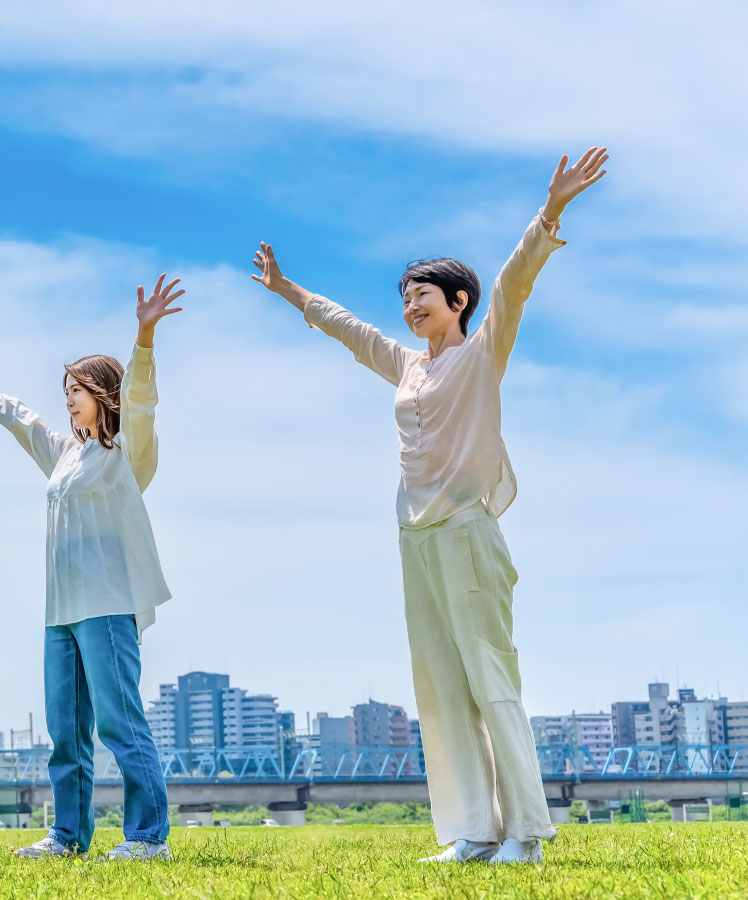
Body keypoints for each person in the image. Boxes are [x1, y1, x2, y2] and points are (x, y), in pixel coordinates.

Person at [249, 147, 609, 865]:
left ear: (459, 303)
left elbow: (515, 282)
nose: (411, 306)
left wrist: (551, 212)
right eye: (406, 296)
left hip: (469, 531)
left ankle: (526, 837)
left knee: (489, 679)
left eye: (424, 295)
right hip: (414, 536)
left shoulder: (481, 353)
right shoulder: (408, 366)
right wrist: (288, 290)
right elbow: (348, 329)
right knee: (442, 687)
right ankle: (475, 832)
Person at [0, 275, 185, 861]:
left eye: (79, 389)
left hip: (108, 604)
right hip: (60, 611)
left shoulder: (125, 453)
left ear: (103, 394)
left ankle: (147, 837)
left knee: (120, 722)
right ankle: (68, 835)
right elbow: (25, 421)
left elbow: (141, 400)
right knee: (66, 731)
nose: (68, 399)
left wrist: (144, 337)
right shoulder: (65, 454)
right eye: (66, 389)